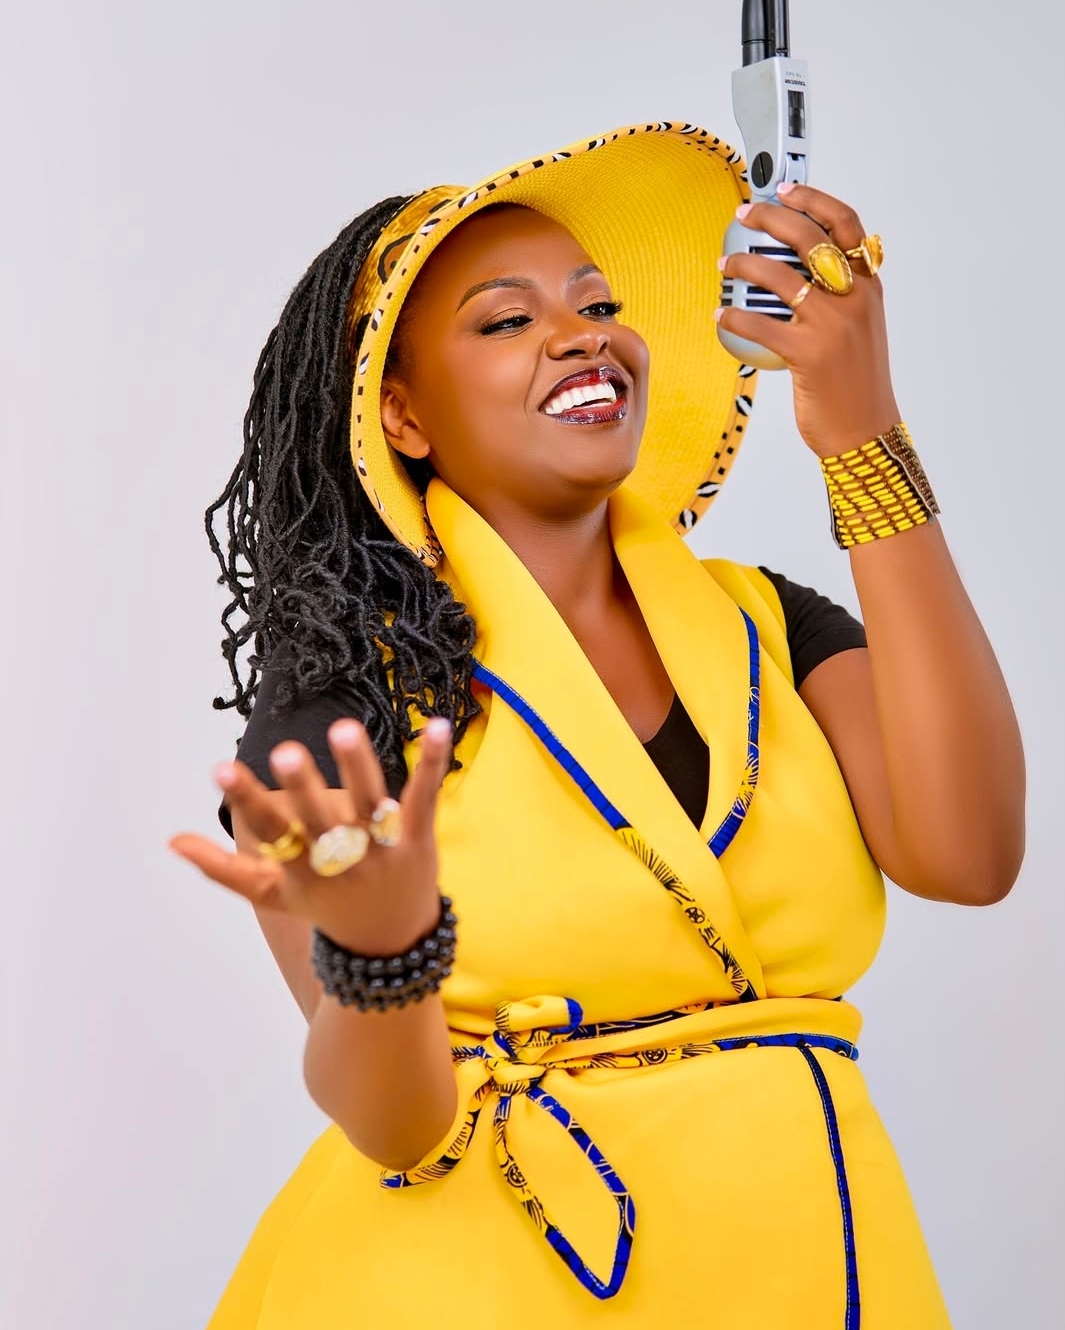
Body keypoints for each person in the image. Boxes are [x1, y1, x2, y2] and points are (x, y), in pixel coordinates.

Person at [170, 122, 1025, 1327]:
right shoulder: (341, 718)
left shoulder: (771, 629)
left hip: (810, 1265)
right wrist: (380, 957)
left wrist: (862, 435)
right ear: (402, 416)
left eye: (600, 303)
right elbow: (396, 1129)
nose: (582, 333)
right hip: (474, 1287)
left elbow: (969, 855)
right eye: (506, 320)